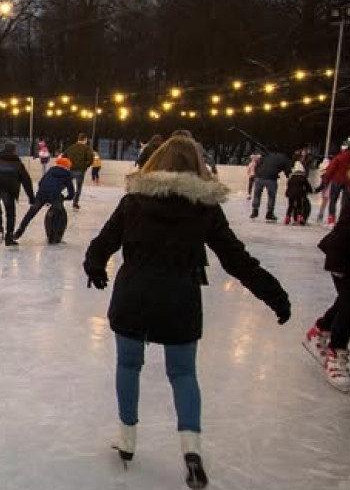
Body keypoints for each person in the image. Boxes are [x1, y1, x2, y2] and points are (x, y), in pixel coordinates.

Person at [84, 136, 290, 489]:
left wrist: (95, 267)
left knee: (128, 366)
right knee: (182, 374)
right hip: (179, 300)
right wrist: (274, 294)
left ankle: (127, 440)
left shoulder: (134, 201)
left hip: (133, 297)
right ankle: (191, 453)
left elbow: (102, 244)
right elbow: (237, 260)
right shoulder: (205, 208)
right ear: (197, 167)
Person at [305, 164, 350, 393]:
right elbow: (345, 229)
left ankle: (320, 330)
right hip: (344, 254)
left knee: (348, 300)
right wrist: (336, 263)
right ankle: (336, 352)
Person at [14, 156, 75, 242]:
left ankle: (20, 229)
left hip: (42, 193)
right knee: (58, 211)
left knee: (32, 211)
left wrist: (43, 193)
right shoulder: (67, 174)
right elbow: (71, 190)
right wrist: (68, 197)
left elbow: (41, 182)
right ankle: (54, 235)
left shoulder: (50, 171)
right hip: (55, 195)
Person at [320, 138, 350, 226]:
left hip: (337, 180)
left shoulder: (340, 156)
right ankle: (343, 220)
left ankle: (331, 219)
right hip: (349, 182)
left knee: (333, 200)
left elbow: (331, 169)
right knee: (345, 202)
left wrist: (326, 180)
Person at [251, 150, 290, 222]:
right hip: (271, 178)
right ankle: (269, 213)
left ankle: (255, 210)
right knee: (271, 196)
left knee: (257, 195)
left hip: (259, 177)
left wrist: (256, 174)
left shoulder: (268, 155)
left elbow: (258, 163)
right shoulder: (284, 159)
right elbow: (288, 172)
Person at [62, 133, 95, 210]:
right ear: (85, 139)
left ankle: (53, 197)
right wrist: (84, 167)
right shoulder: (87, 148)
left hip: (70, 170)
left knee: (63, 185)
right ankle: (75, 204)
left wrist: (67, 165)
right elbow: (91, 159)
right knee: (78, 188)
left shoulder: (71, 148)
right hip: (80, 171)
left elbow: (64, 156)